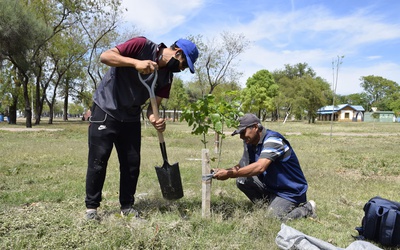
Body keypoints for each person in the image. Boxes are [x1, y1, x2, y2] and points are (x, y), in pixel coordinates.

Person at [85, 36, 199, 220]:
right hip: (106, 108)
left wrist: (155, 119)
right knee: (99, 160)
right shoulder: (141, 45)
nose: (182, 70)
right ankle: (92, 208)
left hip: (130, 117)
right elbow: (106, 56)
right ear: (178, 53)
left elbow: (152, 108)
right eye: (184, 65)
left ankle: (127, 206)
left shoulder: (167, 77)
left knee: (131, 164)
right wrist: (135, 63)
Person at [212, 113, 316, 221]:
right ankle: (269, 206)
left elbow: (260, 167)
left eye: (243, 132)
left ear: (256, 127)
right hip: (272, 186)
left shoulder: (273, 140)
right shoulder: (250, 142)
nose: (241, 136)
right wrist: (226, 171)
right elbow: (243, 165)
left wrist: (229, 174)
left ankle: (307, 209)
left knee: (271, 219)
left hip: (290, 191)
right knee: (242, 180)